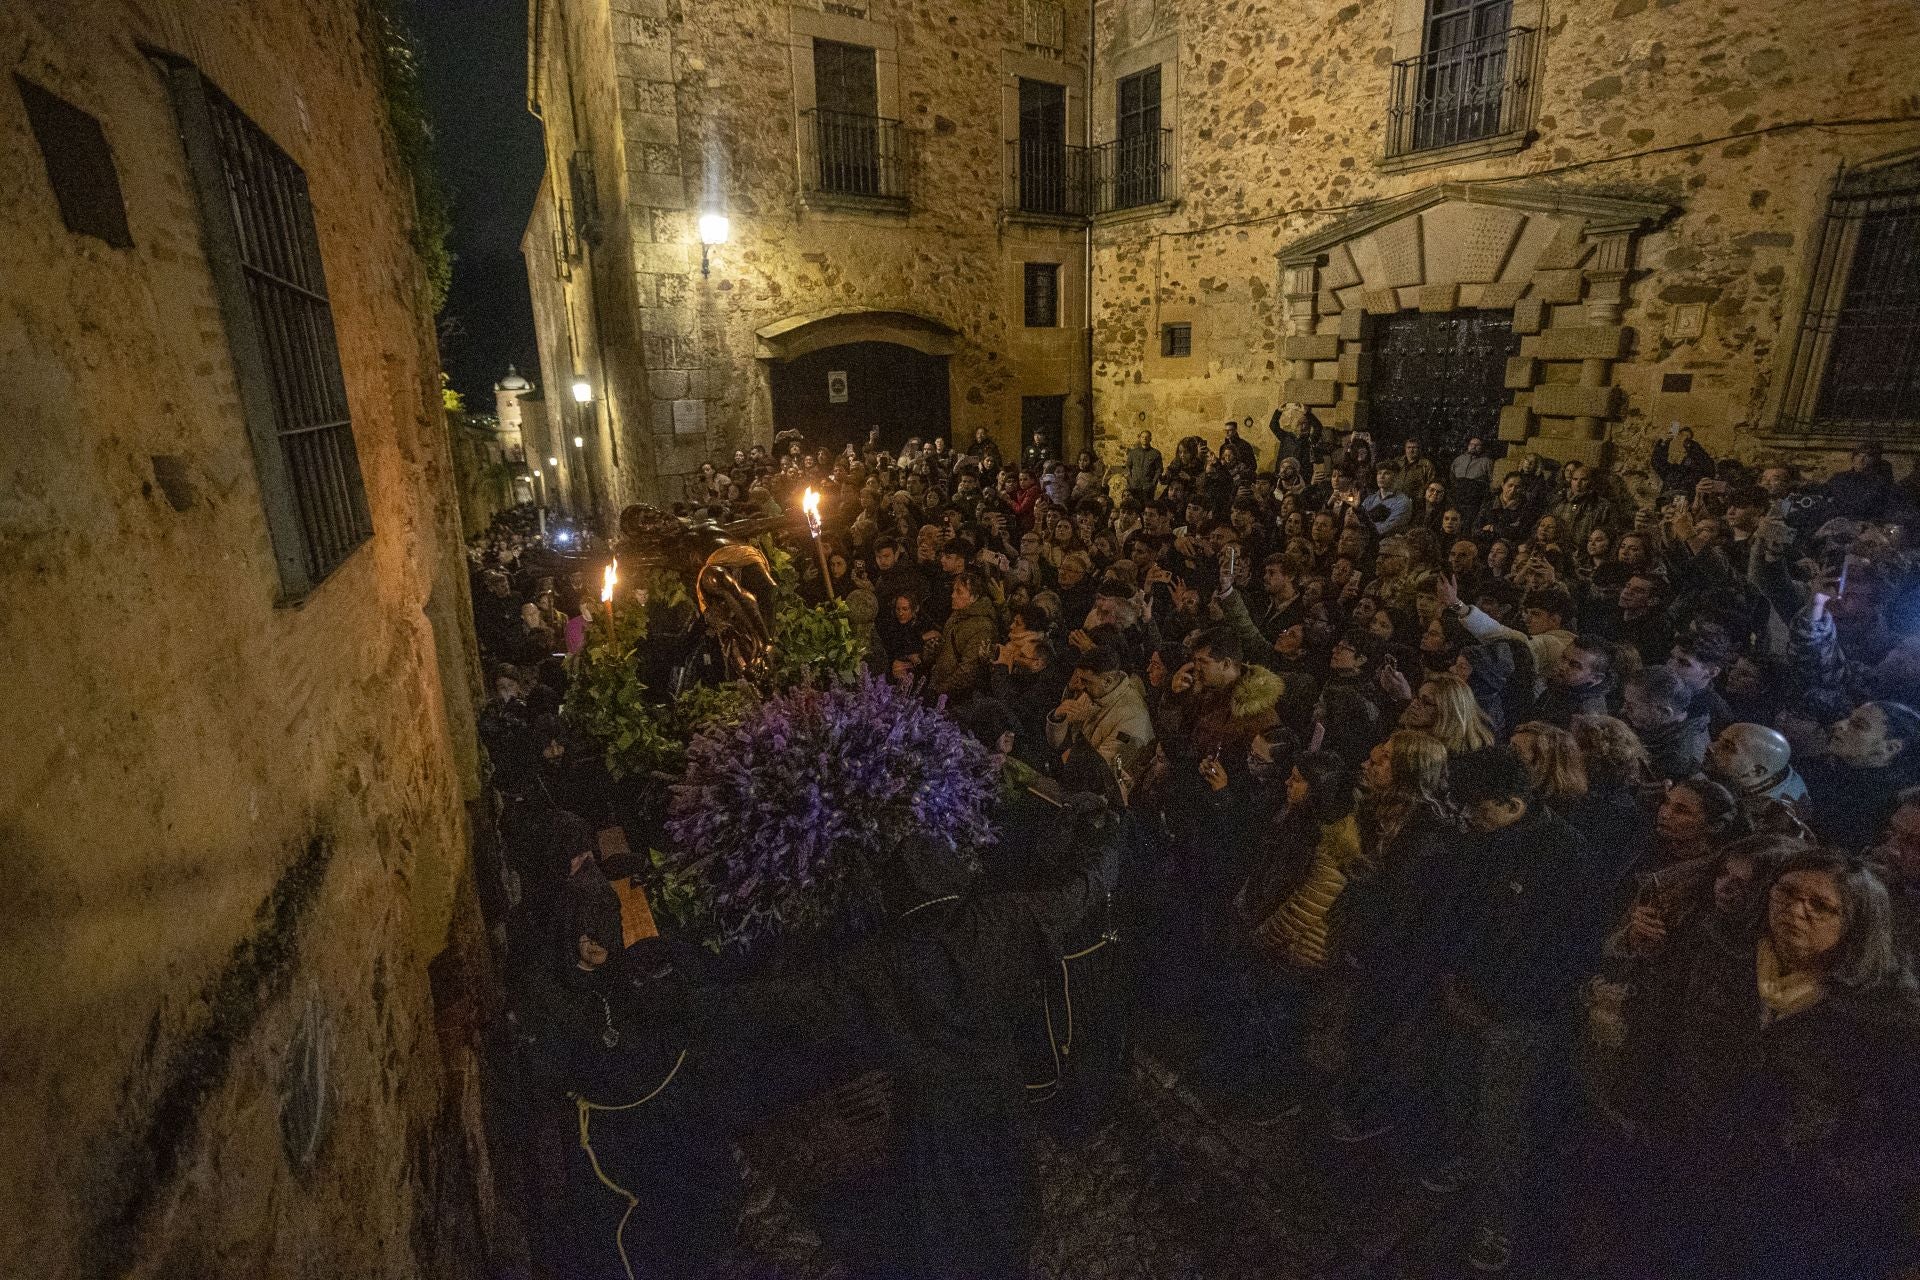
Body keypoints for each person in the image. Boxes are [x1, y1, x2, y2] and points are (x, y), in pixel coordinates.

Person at [1630, 851, 1920, 1280]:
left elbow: (1904, 1133)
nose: (1796, 909)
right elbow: (1665, 1035)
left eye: (1820, 905)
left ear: (1856, 924)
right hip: (1691, 1169)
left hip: (1802, 1208)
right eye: (1786, 892)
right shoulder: (1722, 955)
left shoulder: (1888, 1013)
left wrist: (1837, 1178)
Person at [1422, 746, 1601, 1275]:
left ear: (1510, 803)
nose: (1465, 818)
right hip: (1465, 992)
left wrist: (1502, 1006)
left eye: (1475, 808)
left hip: (1517, 1016)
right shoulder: (1483, 840)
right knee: (1458, 1089)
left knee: (1502, 1124)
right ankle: (1457, 1162)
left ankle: (1497, 1226)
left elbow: (1564, 952)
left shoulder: (1562, 859)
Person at [1622, 666, 1709, 783]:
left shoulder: (1682, 760)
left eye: (1633, 705)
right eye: (1626, 702)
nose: (1625, 709)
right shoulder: (1645, 723)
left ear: (1665, 712)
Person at [1125, 428, 1163, 503]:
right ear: (1140, 438)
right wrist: (1131, 481)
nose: (1144, 438)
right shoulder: (1133, 453)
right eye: (1142, 437)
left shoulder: (1155, 453)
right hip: (1135, 487)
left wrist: (1153, 484)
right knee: (1135, 507)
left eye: (1147, 437)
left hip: (1148, 487)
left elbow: (1159, 470)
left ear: (1150, 439)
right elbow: (1128, 467)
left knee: (1147, 507)